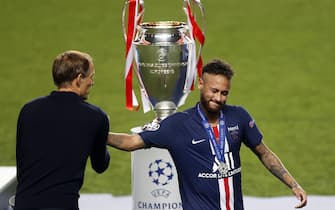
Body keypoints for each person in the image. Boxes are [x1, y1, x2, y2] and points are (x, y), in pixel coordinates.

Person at [107, 59, 307, 210]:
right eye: (214, 90)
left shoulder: (239, 117)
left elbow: (264, 153)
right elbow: (131, 142)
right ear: (201, 83)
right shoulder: (178, 125)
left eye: (224, 93)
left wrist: (293, 184)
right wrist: (98, 132)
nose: (219, 98)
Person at [15, 50, 110, 209]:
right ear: (79, 79)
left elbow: (21, 165)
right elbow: (100, 165)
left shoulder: (28, 110)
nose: (92, 82)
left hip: (25, 204)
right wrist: (100, 136)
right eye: (91, 77)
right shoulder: (96, 117)